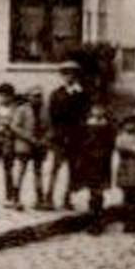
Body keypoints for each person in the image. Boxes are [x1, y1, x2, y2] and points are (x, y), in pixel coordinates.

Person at [45, 61, 90, 210]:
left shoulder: (82, 94)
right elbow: (51, 116)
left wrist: (82, 134)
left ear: (76, 76)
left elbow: (85, 116)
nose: (68, 77)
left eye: (71, 73)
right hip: (60, 136)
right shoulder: (56, 94)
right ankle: (49, 196)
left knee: (73, 169)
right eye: (65, 74)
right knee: (55, 167)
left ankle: (67, 197)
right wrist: (55, 133)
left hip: (76, 136)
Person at [75, 104, 116, 234]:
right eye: (95, 110)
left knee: (99, 192)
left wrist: (104, 153)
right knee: (92, 191)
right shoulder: (86, 126)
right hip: (89, 162)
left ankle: (98, 220)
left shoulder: (108, 126)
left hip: (102, 162)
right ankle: (93, 219)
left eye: (101, 109)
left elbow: (111, 144)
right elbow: (81, 143)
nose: (98, 112)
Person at [19, 88, 49, 210]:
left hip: (40, 146)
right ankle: (16, 198)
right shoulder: (22, 110)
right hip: (26, 145)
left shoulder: (45, 111)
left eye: (39, 96)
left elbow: (50, 127)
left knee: (38, 172)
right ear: (29, 97)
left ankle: (39, 199)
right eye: (34, 96)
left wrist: (44, 139)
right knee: (21, 171)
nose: (37, 99)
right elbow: (15, 126)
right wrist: (29, 137)